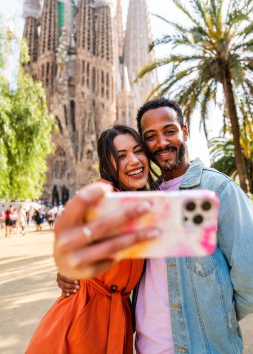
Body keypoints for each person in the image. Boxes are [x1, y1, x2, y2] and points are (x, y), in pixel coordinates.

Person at [55, 99, 253, 354]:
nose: (161, 142)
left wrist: (214, 320)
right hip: (146, 347)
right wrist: (71, 272)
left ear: (185, 130)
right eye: (150, 136)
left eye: (169, 131)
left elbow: (249, 277)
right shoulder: (140, 200)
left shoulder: (217, 190)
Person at [26, 125, 160, 354]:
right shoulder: (106, 193)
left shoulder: (144, 201)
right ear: (108, 165)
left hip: (116, 319)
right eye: (121, 156)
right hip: (83, 321)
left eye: (138, 151)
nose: (134, 160)